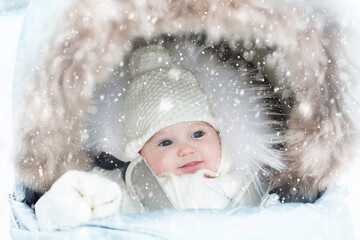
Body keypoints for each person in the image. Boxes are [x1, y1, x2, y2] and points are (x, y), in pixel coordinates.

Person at [35, 44, 280, 230]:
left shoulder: (246, 181)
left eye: (198, 133)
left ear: (219, 136)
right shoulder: (123, 191)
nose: (186, 149)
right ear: (139, 154)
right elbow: (68, 201)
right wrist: (65, 207)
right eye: (165, 142)